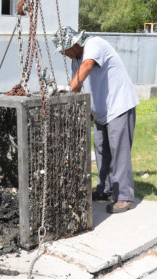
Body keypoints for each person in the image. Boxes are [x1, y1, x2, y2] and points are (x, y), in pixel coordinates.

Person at [53, 27, 140, 214]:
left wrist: (67, 87)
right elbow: (79, 86)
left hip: (119, 106)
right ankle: (104, 189)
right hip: (101, 112)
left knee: (119, 152)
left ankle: (125, 197)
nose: (63, 54)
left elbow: (87, 66)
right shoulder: (76, 60)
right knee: (101, 150)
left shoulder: (94, 44)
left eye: (64, 50)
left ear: (73, 44)